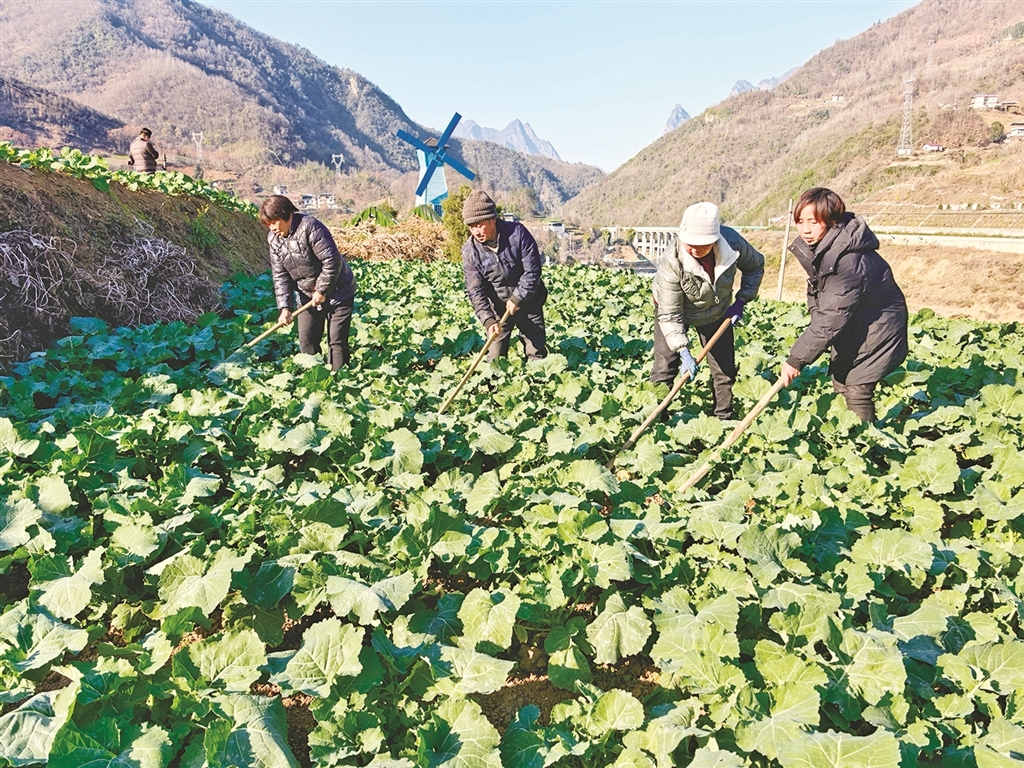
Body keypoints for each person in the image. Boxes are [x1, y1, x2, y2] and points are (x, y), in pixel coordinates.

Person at [779, 187, 908, 423]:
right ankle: (846, 433)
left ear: (831, 221)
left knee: (857, 387)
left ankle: (864, 441)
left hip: (879, 329)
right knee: (840, 379)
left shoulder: (848, 260)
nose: (805, 229)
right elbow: (821, 296)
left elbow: (831, 316)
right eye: (800, 221)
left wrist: (796, 359)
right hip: (854, 323)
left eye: (813, 222)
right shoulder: (824, 248)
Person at [651, 201, 764, 420]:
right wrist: (683, 350)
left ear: (715, 239)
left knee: (724, 369)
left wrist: (741, 300)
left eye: (702, 245)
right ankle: (657, 420)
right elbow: (670, 315)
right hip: (673, 311)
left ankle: (723, 418)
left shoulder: (732, 243)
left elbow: (755, 265)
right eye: (690, 244)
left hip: (716, 309)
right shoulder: (672, 260)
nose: (695, 250)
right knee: (664, 369)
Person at [259, 195, 357, 370]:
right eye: (269, 224)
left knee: (336, 341)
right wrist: (285, 308)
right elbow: (280, 275)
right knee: (307, 341)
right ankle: (314, 378)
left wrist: (321, 290)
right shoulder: (274, 240)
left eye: (274, 222)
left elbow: (332, 260)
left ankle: (339, 379)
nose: (272, 228)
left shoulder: (310, 227)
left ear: (287, 215)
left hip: (338, 291)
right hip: (306, 295)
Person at [460, 190, 548, 361]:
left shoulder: (518, 234)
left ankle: (536, 376)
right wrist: (488, 320)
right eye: (472, 227)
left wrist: (517, 298)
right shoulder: (470, 251)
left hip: (529, 303)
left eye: (480, 225)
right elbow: (475, 291)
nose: (476, 232)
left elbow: (532, 271)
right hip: (498, 310)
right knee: (495, 358)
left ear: (493, 219)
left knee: (536, 353)